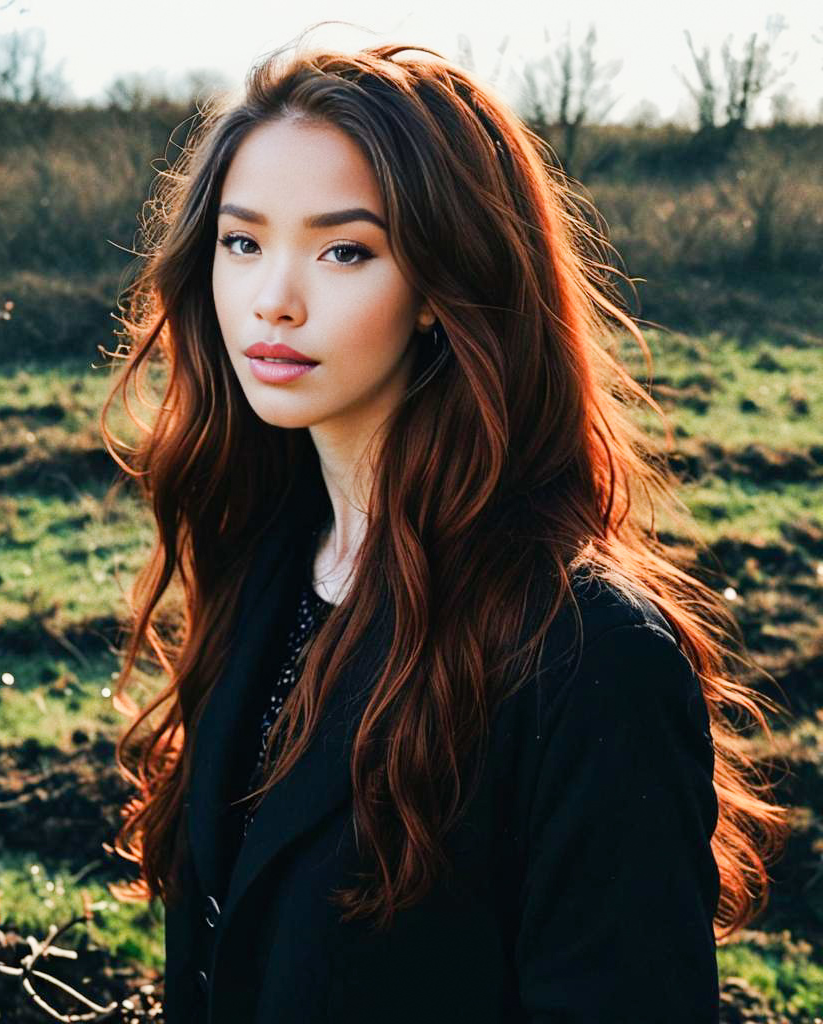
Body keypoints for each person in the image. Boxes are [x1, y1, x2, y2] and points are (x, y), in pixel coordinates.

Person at [99, 34, 790, 1024]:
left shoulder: (590, 658)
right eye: (242, 241)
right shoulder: (262, 563)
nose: (272, 299)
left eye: (344, 249)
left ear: (441, 286)